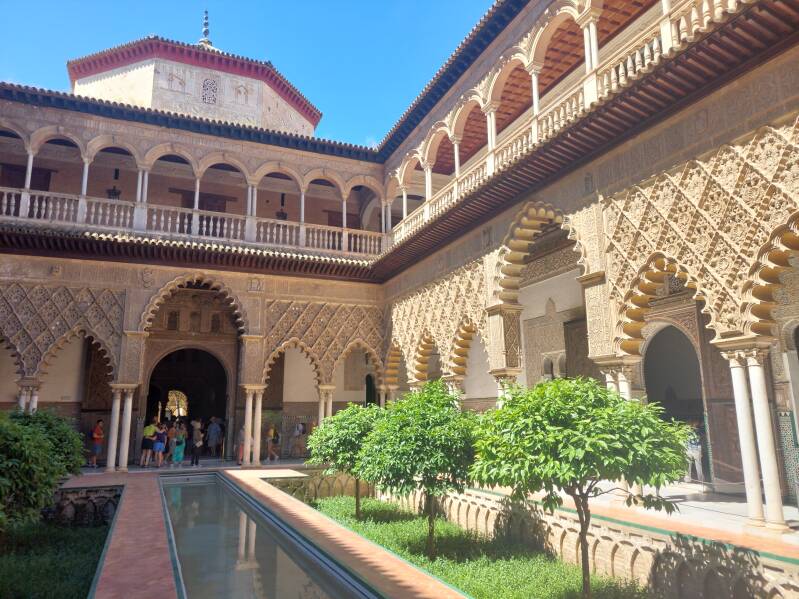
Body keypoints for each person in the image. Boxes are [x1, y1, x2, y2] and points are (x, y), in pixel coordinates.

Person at [685, 419, 705, 484]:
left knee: (688, 465)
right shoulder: (698, 431)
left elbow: (685, 441)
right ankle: (700, 480)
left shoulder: (686, 431)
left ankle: (687, 479)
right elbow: (699, 441)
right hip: (695, 449)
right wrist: (700, 451)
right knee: (698, 465)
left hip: (688, 449)